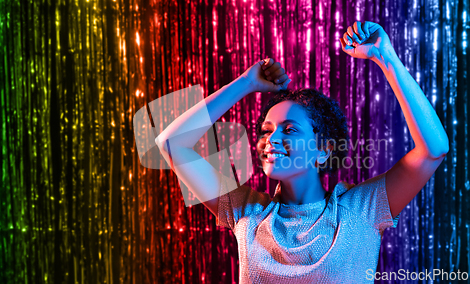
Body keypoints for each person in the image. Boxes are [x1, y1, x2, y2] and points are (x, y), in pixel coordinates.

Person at [155, 21, 449, 283]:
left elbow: (433, 150)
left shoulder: (363, 210)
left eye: (289, 129)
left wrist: (387, 58)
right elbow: (172, 143)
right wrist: (245, 83)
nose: (270, 139)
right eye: (265, 130)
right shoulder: (246, 213)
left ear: (323, 151)